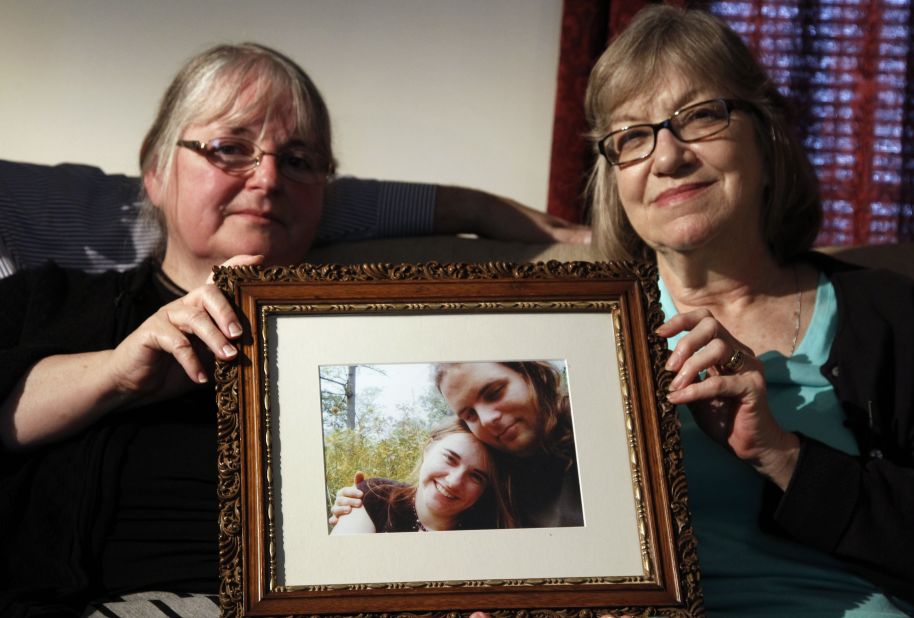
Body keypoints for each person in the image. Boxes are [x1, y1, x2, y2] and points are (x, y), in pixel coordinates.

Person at [0, 42, 588, 615]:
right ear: (155, 170)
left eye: (300, 161)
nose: (267, 179)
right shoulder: (50, 299)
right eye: (231, 148)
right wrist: (118, 372)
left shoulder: (380, 325)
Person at [584, 5, 914, 615]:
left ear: (766, 134)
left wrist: (782, 453)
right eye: (632, 136)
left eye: (700, 116)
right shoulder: (577, 331)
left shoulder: (896, 314)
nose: (667, 158)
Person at [333, 361, 582, 528]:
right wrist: (358, 503)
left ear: (530, 373)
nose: (487, 419)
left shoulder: (598, 425)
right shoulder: (495, 483)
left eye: (495, 392)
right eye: (470, 415)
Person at [331, 417, 515, 534]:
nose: (453, 481)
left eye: (476, 477)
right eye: (450, 458)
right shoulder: (375, 495)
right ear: (428, 449)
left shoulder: (490, 532)